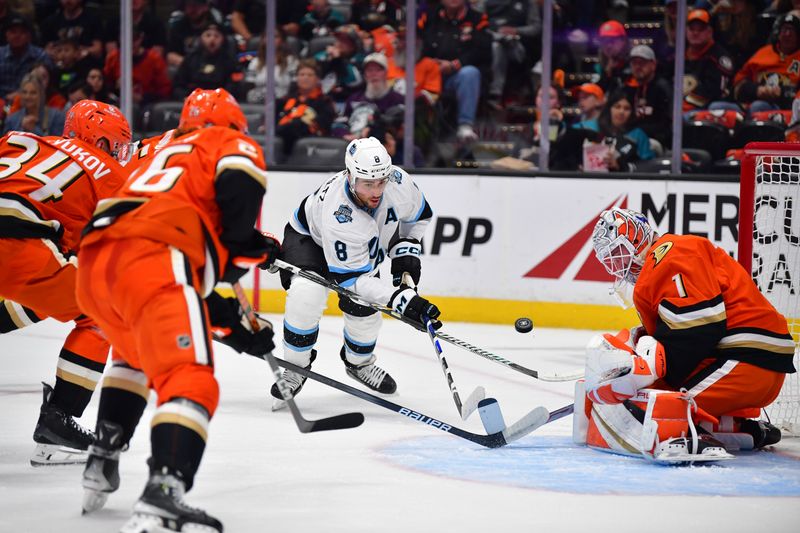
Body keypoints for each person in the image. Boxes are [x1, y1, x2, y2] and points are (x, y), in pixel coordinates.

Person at [76, 88, 279, 532]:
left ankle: (103, 456)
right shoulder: (225, 141)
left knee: (135, 355)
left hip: (95, 263)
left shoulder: (155, 150)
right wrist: (244, 247)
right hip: (155, 255)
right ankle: (164, 492)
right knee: (189, 376)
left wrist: (232, 327)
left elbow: (186, 286)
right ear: (234, 124)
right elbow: (240, 185)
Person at [576, 207, 795, 461]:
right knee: (647, 393)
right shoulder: (661, 261)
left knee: (649, 406)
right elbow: (688, 332)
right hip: (753, 364)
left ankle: (686, 433)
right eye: (610, 258)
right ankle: (734, 428)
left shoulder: (668, 254)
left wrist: (647, 377)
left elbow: (700, 329)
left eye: (618, 252)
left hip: (746, 362)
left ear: (636, 240)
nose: (617, 264)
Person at [0, 99, 131, 465]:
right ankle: (60, 419)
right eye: (116, 146)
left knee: (59, 283)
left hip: (20, 241)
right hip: (15, 246)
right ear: (101, 142)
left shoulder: (19, 138)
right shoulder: (107, 172)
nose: (118, 154)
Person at [272, 136, 440, 407]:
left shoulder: (397, 181)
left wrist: (407, 248)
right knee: (307, 293)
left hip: (354, 250)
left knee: (364, 307)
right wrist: (401, 301)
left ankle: (359, 363)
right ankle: (296, 367)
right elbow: (350, 280)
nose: (376, 190)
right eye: (368, 184)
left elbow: (419, 216)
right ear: (350, 176)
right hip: (309, 240)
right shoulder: (341, 216)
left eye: (381, 181)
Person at [418, 0, 492, 143]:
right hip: (431, 73)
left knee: (470, 73)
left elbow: (483, 51)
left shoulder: (478, 19)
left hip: (458, 76)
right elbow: (417, 42)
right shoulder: (429, 17)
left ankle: (465, 126)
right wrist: (432, 64)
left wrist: (455, 65)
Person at [733, 13, 800, 114]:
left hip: (787, 110)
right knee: (717, 107)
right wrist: (756, 90)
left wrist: (782, 93)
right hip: (752, 101)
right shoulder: (763, 52)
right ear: (778, 32)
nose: (787, 34)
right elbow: (738, 83)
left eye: (792, 30)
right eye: (784, 29)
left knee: (758, 106)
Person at [332, 52, 405, 141]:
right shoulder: (354, 99)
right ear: (365, 75)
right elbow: (340, 122)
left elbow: (398, 129)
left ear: (385, 73)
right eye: (369, 70)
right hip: (353, 145)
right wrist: (345, 135)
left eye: (378, 70)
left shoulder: (397, 99)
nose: (374, 74)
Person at [275, 58, 336, 156]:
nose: (305, 78)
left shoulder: (325, 102)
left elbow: (324, 126)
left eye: (310, 75)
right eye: (302, 74)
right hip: (282, 145)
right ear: (297, 78)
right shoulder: (284, 100)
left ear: (317, 79)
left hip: (311, 149)